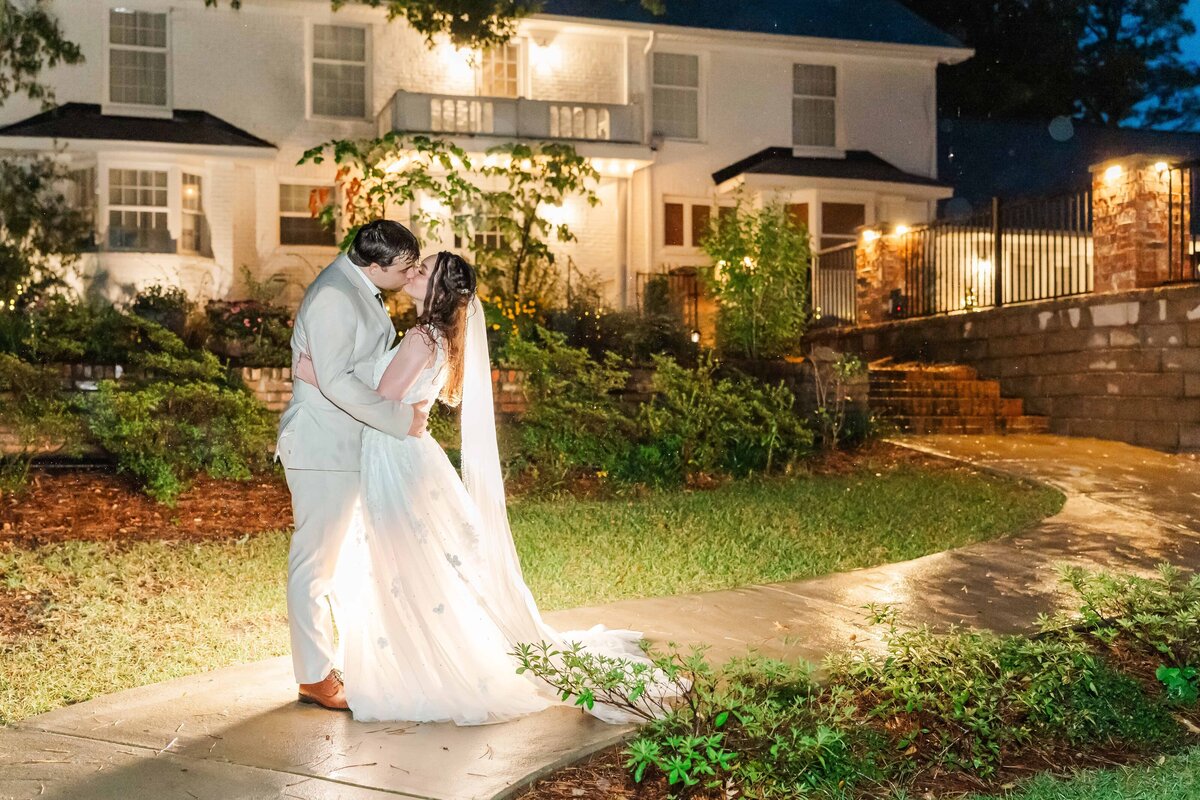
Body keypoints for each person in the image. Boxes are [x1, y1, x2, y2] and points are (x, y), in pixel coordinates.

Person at [295, 251, 675, 725]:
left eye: (423, 269)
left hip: (395, 457)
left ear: (438, 290)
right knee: (410, 563)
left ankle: (422, 665)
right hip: (399, 451)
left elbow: (381, 399)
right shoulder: (435, 335)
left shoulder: (420, 337)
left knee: (402, 563)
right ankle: (415, 655)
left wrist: (317, 374)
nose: (412, 272)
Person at [275, 220, 429, 712]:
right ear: (375, 264)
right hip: (322, 448)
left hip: (344, 446)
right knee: (315, 564)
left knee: (335, 564)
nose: (409, 276)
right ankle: (315, 676)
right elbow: (339, 383)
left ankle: (329, 664)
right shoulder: (334, 296)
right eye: (403, 268)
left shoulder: (358, 285)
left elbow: (347, 369)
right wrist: (401, 419)